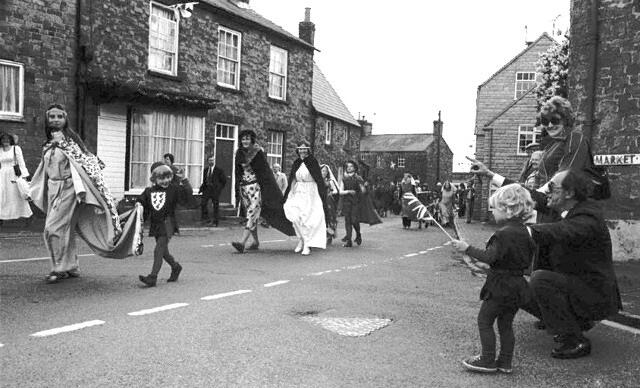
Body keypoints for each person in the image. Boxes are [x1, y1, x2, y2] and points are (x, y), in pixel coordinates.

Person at [469, 158, 622, 359]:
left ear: (569, 193)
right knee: (517, 287)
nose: (546, 191)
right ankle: (565, 322)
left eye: (552, 187)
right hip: (572, 284)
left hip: (593, 293)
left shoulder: (588, 217)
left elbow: (560, 231)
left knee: (540, 278)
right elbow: (525, 195)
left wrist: (513, 233)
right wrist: (490, 175)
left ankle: (575, 339)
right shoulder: (560, 205)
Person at [30, 104, 143, 283]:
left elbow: (88, 163)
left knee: (52, 229)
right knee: (64, 228)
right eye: (52, 116)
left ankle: (59, 268)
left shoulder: (71, 142)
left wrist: (83, 189)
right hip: (53, 190)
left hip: (69, 190)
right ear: (47, 119)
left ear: (65, 119)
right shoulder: (48, 143)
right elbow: (45, 170)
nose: (55, 120)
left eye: (59, 116)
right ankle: (71, 266)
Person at [452, 184, 536, 374]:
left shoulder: (503, 234)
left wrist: (466, 248)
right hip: (517, 286)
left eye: (495, 208)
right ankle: (505, 362)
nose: (492, 212)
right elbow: (513, 260)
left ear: (508, 209)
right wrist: (491, 267)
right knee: (506, 324)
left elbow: (490, 257)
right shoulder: (526, 232)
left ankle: (487, 359)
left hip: (500, 287)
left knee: (485, 320)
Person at [231, 130, 295, 253]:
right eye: (243, 139)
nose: (245, 141)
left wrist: (271, 190)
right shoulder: (239, 153)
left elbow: (265, 172)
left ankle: (242, 243)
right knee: (250, 214)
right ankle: (255, 242)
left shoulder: (257, 152)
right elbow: (237, 172)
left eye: (247, 139)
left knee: (252, 213)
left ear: (252, 140)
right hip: (244, 188)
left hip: (256, 188)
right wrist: (237, 190)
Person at [137, 162, 196, 287]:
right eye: (161, 178)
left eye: (168, 177)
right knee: (164, 252)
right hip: (156, 225)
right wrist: (138, 205)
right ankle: (176, 267)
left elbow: (188, 195)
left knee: (158, 249)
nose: (166, 181)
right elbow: (141, 202)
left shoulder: (174, 189)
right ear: (154, 179)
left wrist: (184, 180)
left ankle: (153, 277)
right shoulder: (149, 191)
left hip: (168, 223)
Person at [283, 141, 326, 255]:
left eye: (304, 149)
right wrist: (291, 192)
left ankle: (307, 244)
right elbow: (293, 178)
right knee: (295, 215)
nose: (302, 151)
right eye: (300, 149)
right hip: (298, 190)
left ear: (308, 150)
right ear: (298, 150)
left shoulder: (312, 161)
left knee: (307, 218)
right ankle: (301, 240)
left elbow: (318, 178)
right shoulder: (296, 162)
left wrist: (321, 194)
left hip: (310, 191)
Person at [0, 132, 32, 224]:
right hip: (2, 174)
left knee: (15, 193)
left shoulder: (16, 149)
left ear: (11, 140)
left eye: (7, 139)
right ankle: (2, 216)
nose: (5, 141)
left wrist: (25, 176)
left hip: (13, 174)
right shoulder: (0, 150)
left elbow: (21, 163)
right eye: (3, 139)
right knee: (2, 194)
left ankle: (25, 216)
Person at [339, 160, 365, 247]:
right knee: (348, 221)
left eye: (351, 166)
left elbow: (363, 191)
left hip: (356, 202)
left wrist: (364, 186)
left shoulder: (358, 178)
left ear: (354, 168)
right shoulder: (344, 179)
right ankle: (349, 241)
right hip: (347, 202)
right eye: (348, 166)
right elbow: (340, 191)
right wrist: (348, 191)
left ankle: (358, 234)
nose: (349, 168)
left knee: (354, 220)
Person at [199, 156, 226, 227]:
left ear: (214, 161)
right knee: (203, 203)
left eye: (212, 160)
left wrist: (219, 189)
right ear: (208, 161)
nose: (211, 162)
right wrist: (201, 189)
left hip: (215, 190)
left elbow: (223, 181)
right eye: (210, 160)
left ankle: (215, 221)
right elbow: (204, 181)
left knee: (215, 206)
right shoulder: (205, 170)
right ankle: (206, 219)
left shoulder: (219, 170)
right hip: (207, 189)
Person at [321, 164, 339, 245]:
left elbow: (335, 190)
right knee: (320, 218)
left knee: (329, 217)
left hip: (328, 200)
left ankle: (330, 235)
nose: (323, 172)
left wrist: (331, 193)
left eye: (325, 171)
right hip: (319, 200)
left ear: (328, 172)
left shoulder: (330, 181)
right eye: (322, 170)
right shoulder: (318, 180)